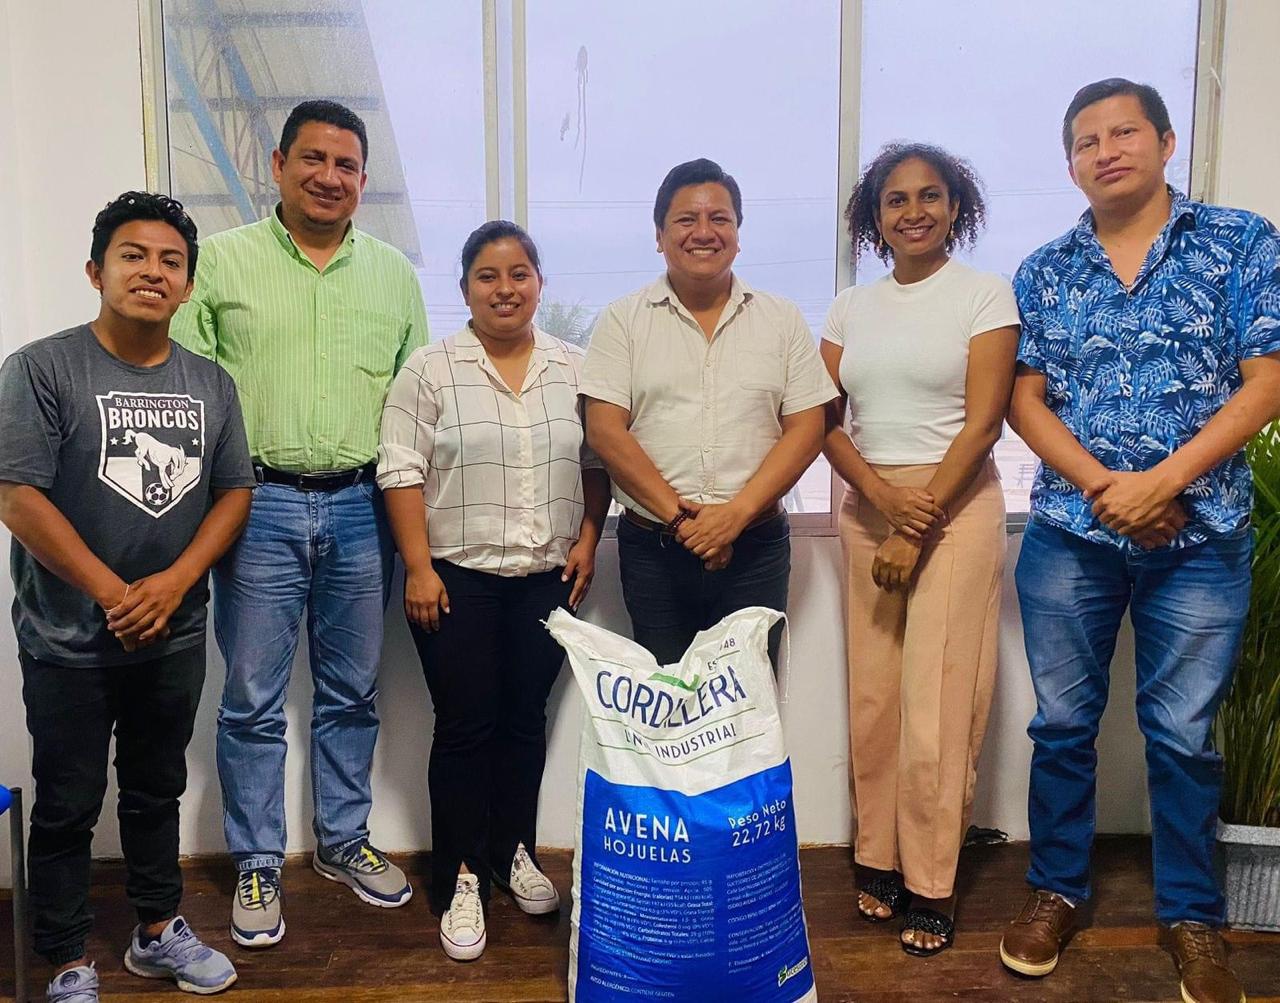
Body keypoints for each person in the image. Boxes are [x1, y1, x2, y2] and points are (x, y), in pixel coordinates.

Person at [999, 78, 1280, 1003]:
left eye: (1124, 132)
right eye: (1086, 141)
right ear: (1070, 165)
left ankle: (1192, 915)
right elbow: (1025, 400)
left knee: (1184, 735)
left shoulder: (1240, 239)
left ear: (1165, 143)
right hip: (1070, 534)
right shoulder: (1046, 269)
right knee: (1061, 725)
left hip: (1202, 534)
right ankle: (1056, 890)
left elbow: (1267, 378)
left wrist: (1165, 483)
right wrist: (1107, 487)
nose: (1106, 150)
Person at [170, 99, 429, 948]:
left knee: (352, 692)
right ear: (278, 165)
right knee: (251, 696)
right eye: (312, 159)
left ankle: (343, 839)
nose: (329, 177)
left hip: (363, 505)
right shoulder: (221, 262)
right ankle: (256, 857)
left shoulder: (392, 275)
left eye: (346, 165)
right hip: (256, 503)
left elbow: (412, 408)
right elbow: (190, 391)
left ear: (363, 179)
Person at [0, 192, 255, 1001]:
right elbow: (17, 496)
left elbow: (234, 492)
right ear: (96, 271)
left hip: (173, 632)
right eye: (133, 256)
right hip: (67, 636)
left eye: (171, 261)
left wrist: (175, 584)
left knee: (156, 788)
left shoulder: (210, 383)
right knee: (67, 799)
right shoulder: (41, 368)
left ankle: (156, 928)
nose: (153, 271)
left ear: (188, 285)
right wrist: (114, 592)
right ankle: (65, 954)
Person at [377, 221, 610, 961]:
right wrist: (418, 566)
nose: (504, 289)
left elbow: (597, 461)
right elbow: (400, 469)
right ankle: (460, 876)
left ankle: (514, 853)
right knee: (465, 727)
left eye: (518, 274)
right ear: (465, 288)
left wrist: (588, 537)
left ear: (539, 282)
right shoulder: (430, 370)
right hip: (454, 581)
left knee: (523, 723)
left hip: (547, 580)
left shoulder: (575, 369)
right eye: (487, 275)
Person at [821, 143, 1020, 957]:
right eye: (896, 199)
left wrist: (914, 524)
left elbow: (984, 422)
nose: (913, 212)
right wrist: (879, 499)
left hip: (955, 505)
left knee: (938, 702)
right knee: (874, 699)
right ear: (875, 217)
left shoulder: (983, 294)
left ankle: (932, 879)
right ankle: (879, 854)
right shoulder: (849, 308)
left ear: (955, 206)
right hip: (870, 502)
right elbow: (825, 422)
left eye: (929, 196)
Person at [581, 158, 835, 666]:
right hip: (653, 549)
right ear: (659, 235)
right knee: (667, 699)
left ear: (738, 234)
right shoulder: (622, 320)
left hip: (756, 547)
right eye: (686, 220)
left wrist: (734, 517)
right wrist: (684, 521)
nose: (704, 232)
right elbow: (605, 431)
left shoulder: (781, 318)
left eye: (720, 218)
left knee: (750, 701)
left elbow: (808, 427)